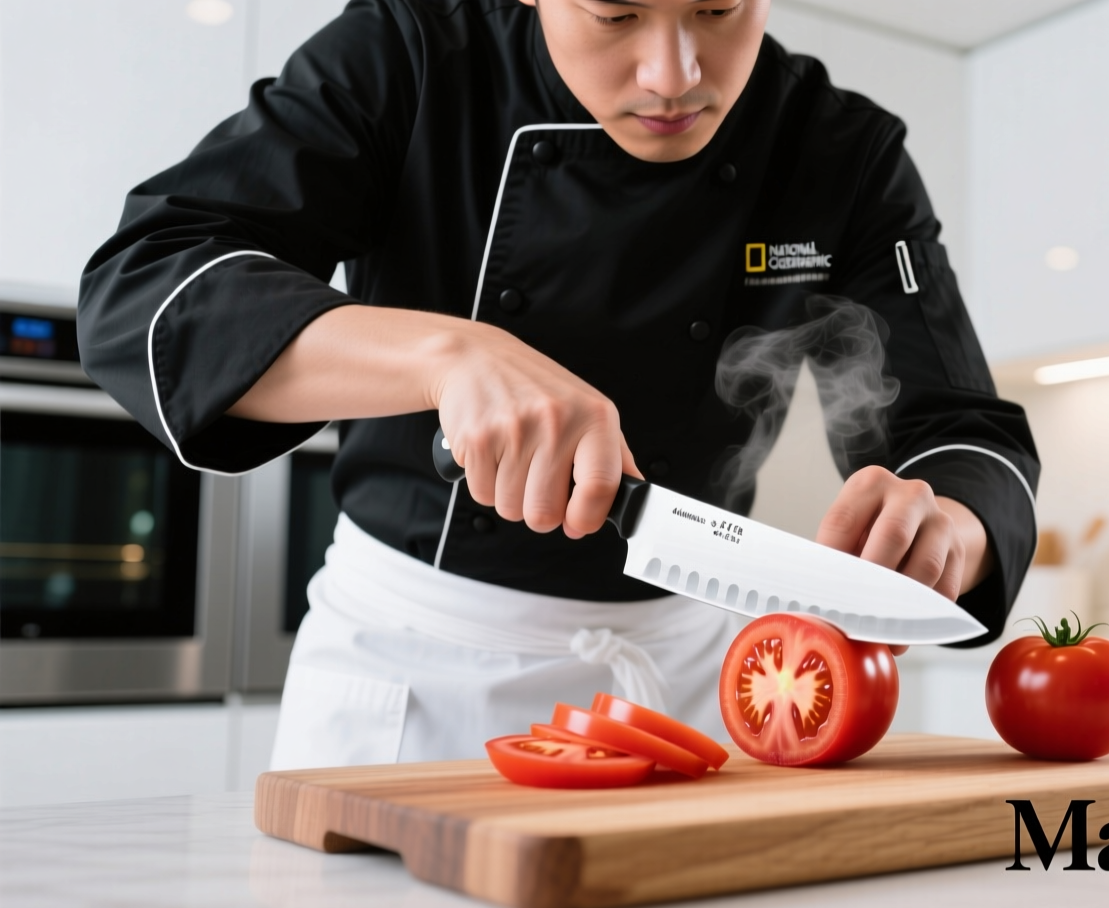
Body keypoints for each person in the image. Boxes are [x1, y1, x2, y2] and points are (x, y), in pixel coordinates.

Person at [78, 0, 1040, 767]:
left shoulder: (841, 151)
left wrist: (952, 523)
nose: (674, 75)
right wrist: (447, 356)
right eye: (616, 15)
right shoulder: (407, 51)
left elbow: (960, 426)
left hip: (701, 685)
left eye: (718, 8)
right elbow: (143, 288)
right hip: (421, 675)